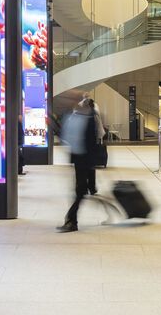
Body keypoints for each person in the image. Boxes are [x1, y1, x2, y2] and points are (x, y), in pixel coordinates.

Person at [57, 97, 104, 232]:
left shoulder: (90, 118)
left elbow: (97, 136)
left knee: (80, 191)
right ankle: (71, 219)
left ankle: (71, 220)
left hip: (85, 160)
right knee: (80, 190)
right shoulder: (78, 116)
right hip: (80, 159)